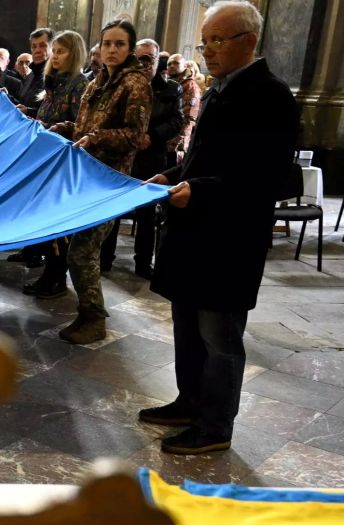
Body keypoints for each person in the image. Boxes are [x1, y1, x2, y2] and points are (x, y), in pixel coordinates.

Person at [140, 1, 298, 455]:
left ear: (248, 41)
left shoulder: (269, 96)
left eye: (217, 40)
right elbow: (203, 159)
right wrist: (172, 175)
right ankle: (189, 403)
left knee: (219, 337)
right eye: (204, 41)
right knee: (187, 328)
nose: (207, 50)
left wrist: (199, 190)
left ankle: (215, 426)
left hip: (229, 239)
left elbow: (266, 177)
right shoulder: (221, 89)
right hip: (194, 232)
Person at [49, 19, 151, 345]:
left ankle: (94, 319)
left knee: (82, 252)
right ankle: (87, 313)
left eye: (119, 44)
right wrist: (64, 128)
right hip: (86, 176)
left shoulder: (135, 84)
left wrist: (96, 137)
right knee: (80, 250)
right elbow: (84, 125)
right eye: (107, 43)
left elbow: (135, 136)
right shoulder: (98, 81)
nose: (111, 49)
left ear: (129, 49)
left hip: (110, 181)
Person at [100, 38, 183, 279]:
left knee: (147, 214)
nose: (145, 64)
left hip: (151, 157)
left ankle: (143, 263)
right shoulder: (123, 84)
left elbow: (176, 120)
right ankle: (105, 259)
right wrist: (129, 137)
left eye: (150, 59)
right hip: (124, 155)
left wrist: (152, 136)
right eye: (140, 58)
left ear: (158, 61)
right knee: (115, 209)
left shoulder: (171, 89)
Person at [20, 30, 89, 300]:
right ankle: (50, 273)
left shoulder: (79, 84)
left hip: (63, 163)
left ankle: (56, 277)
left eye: (61, 51)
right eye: (55, 51)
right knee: (45, 220)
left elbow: (80, 124)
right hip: (46, 160)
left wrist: (53, 126)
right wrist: (32, 115)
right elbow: (49, 114)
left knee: (58, 226)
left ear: (74, 54)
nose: (55, 56)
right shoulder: (54, 82)